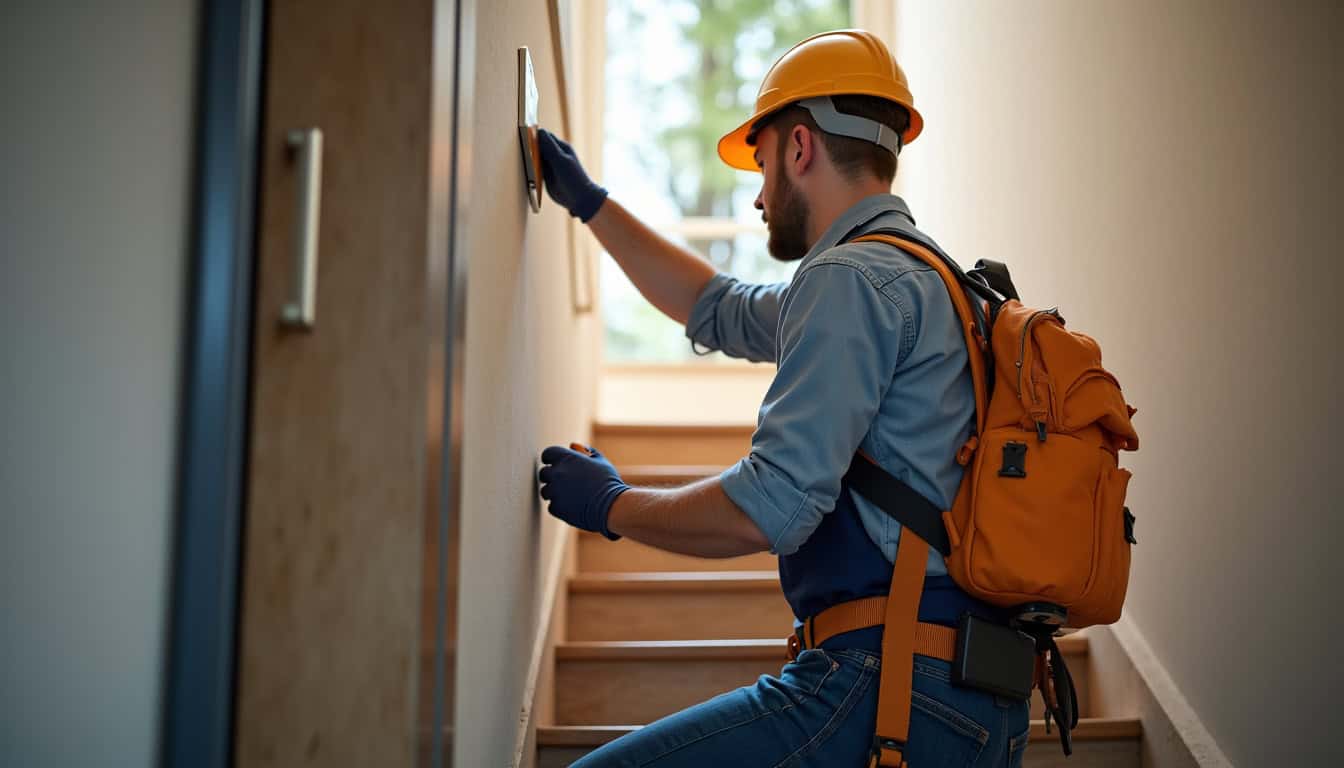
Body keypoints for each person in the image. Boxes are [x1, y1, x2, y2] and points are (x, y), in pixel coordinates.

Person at [537, 29, 1030, 768]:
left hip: (888, 683)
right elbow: (719, 307)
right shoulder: (942, 286)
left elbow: (771, 504)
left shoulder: (850, 282)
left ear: (801, 148)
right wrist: (593, 206)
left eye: (763, 162)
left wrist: (614, 505)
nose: (760, 193)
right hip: (977, 699)